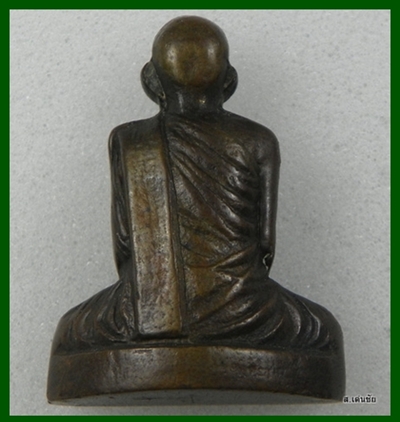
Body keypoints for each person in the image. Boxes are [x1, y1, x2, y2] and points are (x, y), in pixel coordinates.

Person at [52, 16, 342, 354]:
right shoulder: (258, 140)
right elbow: (265, 244)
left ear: (150, 80)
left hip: (145, 308)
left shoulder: (130, 141)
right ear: (229, 80)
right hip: (246, 307)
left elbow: (125, 245)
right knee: (322, 331)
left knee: (71, 334)